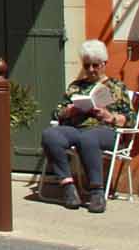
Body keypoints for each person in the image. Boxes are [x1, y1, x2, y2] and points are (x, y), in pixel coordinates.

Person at [40, 39, 134, 212]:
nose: (90, 70)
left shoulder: (116, 87)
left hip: (106, 131)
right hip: (76, 128)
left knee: (88, 137)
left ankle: (97, 191)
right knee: (50, 135)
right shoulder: (76, 87)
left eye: (95, 65)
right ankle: (68, 186)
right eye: (87, 65)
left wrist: (109, 116)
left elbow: (130, 118)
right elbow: (56, 113)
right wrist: (68, 112)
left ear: (104, 64)